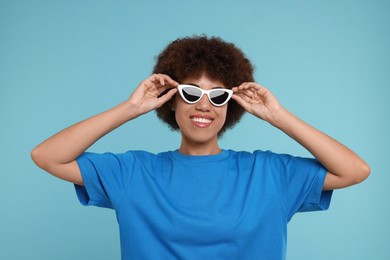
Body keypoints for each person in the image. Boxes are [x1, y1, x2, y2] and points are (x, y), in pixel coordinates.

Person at [31, 35, 370, 259]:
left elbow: (355, 170)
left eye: (217, 96)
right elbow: (46, 156)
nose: (203, 105)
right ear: (171, 102)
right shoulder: (133, 173)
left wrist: (278, 116)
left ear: (230, 105)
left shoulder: (268, 174)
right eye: (191, 93)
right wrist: (129, 109)